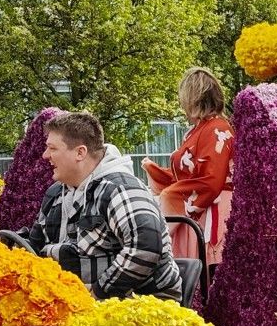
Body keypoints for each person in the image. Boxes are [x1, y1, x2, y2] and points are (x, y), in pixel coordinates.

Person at [19, 111, 185, 302]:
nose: (45, 155)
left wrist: (98, 293)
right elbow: (36, 244)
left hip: (138, 306)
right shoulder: (56, 193)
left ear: (80, 152)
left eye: (52, 148)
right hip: (75, 303)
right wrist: (4, 243)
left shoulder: (120, 188)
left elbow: (145, 247)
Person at [142, 67, 235, 265]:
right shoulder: (202, 129)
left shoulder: (217, 128)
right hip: (201, 206)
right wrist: (157, 172)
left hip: (210, 209)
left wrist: (171, 193)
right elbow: (190, 176)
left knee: (204, 276)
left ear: (192, 98)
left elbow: (210, 180)